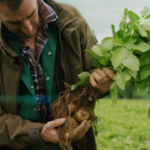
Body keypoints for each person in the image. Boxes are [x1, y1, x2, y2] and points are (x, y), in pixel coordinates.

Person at [0, 0, 115, 150]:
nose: (28, 29)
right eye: (14, 23)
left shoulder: (71, 19)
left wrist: (102, 84)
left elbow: (94, 70)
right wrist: (37, 134)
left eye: (31, 15)